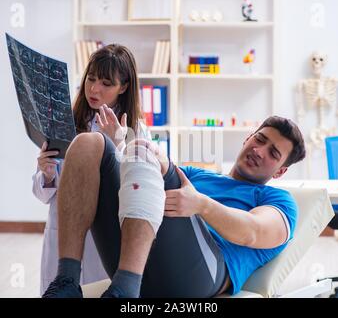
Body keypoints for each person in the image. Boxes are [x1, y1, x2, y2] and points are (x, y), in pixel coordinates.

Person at [42, 115, 306, 298]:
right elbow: (146, 175)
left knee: (145, 152)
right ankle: (66, 280)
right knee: (89, 143)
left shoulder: (278, 201)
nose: (260, 151)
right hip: (145, 256)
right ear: (248, 138)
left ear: (280, 171)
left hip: (199, 278)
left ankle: (126, 290)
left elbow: (253, 232)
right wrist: (120, 148)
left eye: (273, 153)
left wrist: (201, 204)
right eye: (259, 140)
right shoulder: (198, 175)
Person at [32, 43, 150, 295]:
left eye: (106, 83)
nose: (94, 89)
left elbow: (143, 195)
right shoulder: (66, 123)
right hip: (62, 238)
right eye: (91, 79)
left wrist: (118, 148)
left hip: (103, 244)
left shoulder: (137, 131)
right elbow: (44, 195)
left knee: (96, 290)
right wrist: (47, 173)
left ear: (124, 87)